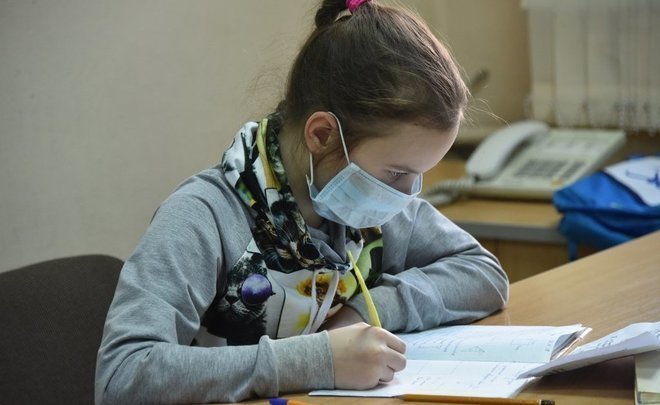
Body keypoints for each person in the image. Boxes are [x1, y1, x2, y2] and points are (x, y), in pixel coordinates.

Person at [95, 0, 509, 403]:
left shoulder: (366, 206)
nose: (405, 194)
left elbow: (484, 274)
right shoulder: (203, 217)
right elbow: (122, 376)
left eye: (418, 175)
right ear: (323, 135)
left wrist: (366, 311)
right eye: (397, 173)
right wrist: (317, 360)